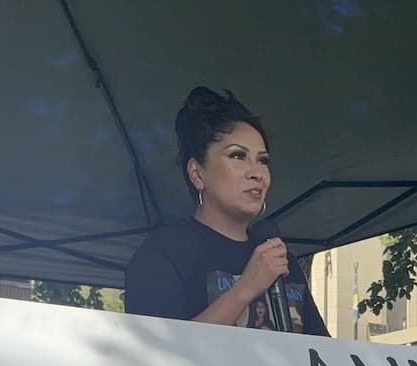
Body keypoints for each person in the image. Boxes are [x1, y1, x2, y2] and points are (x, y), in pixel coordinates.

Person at [124, 87, 328, 336]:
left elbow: (322, 355)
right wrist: (246, 288)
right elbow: (157, 354)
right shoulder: (165, 252)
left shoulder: (279, 258)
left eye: (263, 160)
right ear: (198, 174)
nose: (256, 172)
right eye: (238, 156)